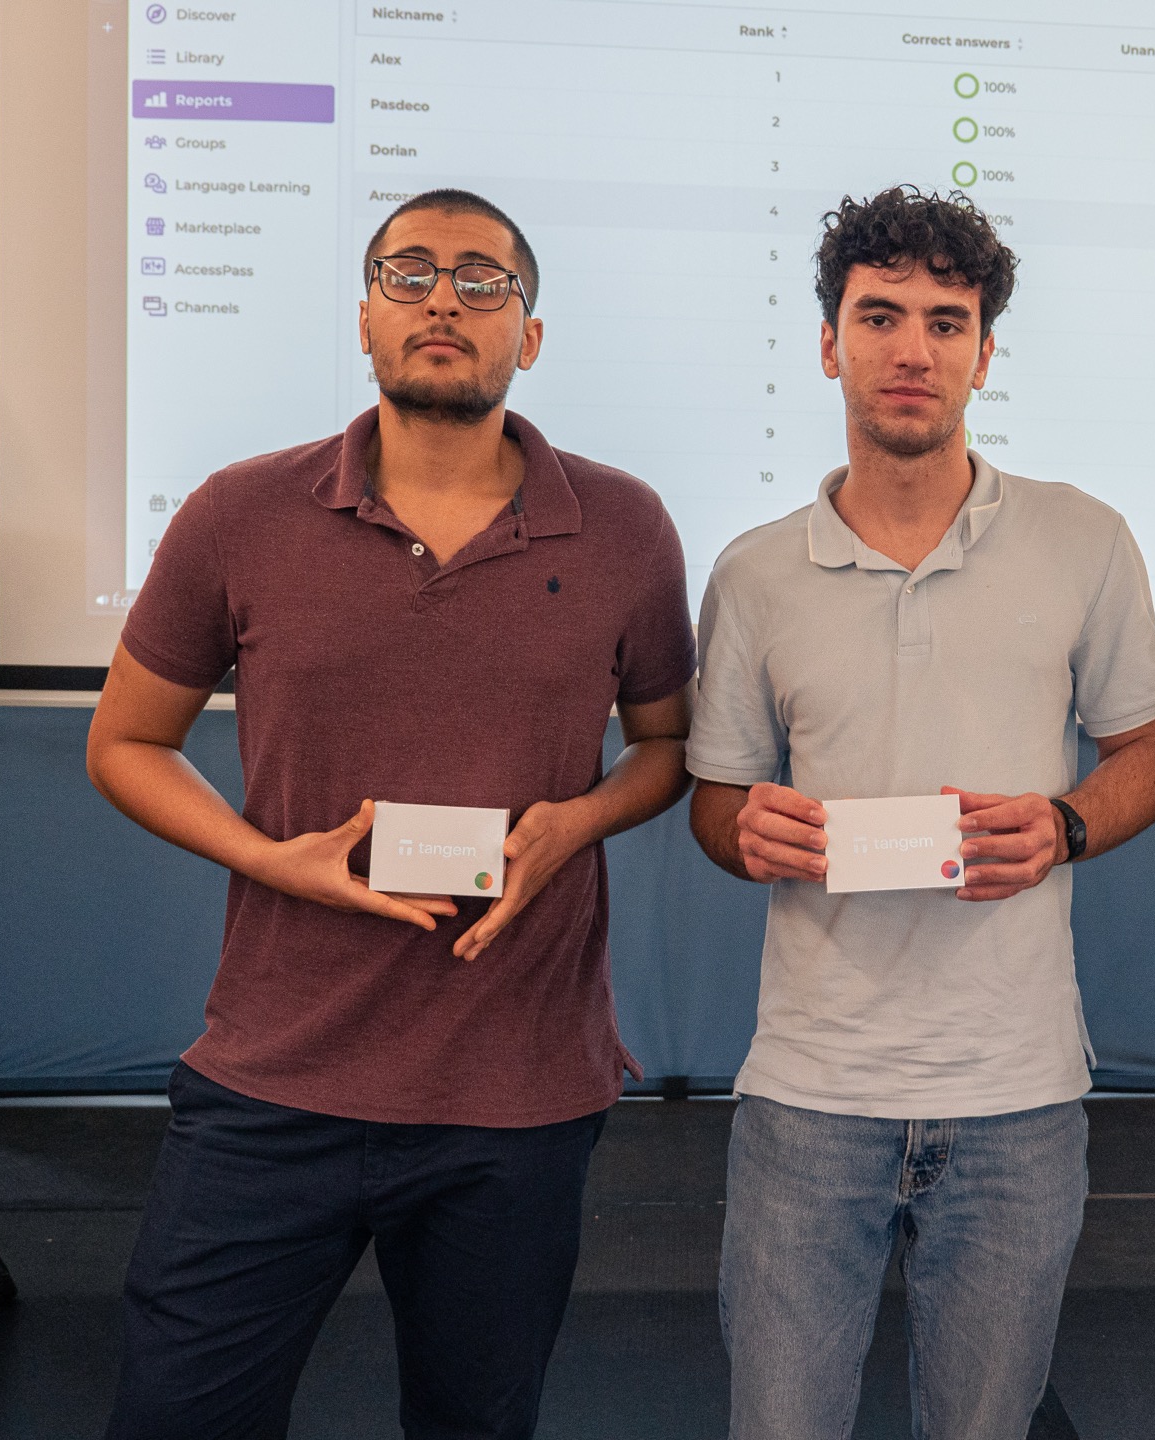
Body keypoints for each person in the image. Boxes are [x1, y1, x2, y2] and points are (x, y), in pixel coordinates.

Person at [87, 188, 697, 1439]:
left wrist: (574, 825)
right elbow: (126, 743)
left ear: (530, 335)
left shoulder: (626, 527)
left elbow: (667, 748)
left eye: (482, 281)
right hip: (273, 1077)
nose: (442, 300)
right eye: (408, 273)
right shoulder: (239, 513)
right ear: (365, 319)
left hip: (516, 1093)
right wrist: (271, 859)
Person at [686, 186, 1155, 1439]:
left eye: (946, 322)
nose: (913, 349)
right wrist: (744, 833)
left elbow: (1148, 755)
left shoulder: (1085, 540)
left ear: (983, 354)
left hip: (1018, 1088)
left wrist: (1067, 825)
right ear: (829, 344)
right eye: (880, 317)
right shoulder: (754, 571)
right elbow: (715, 800)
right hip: (809, 1090)